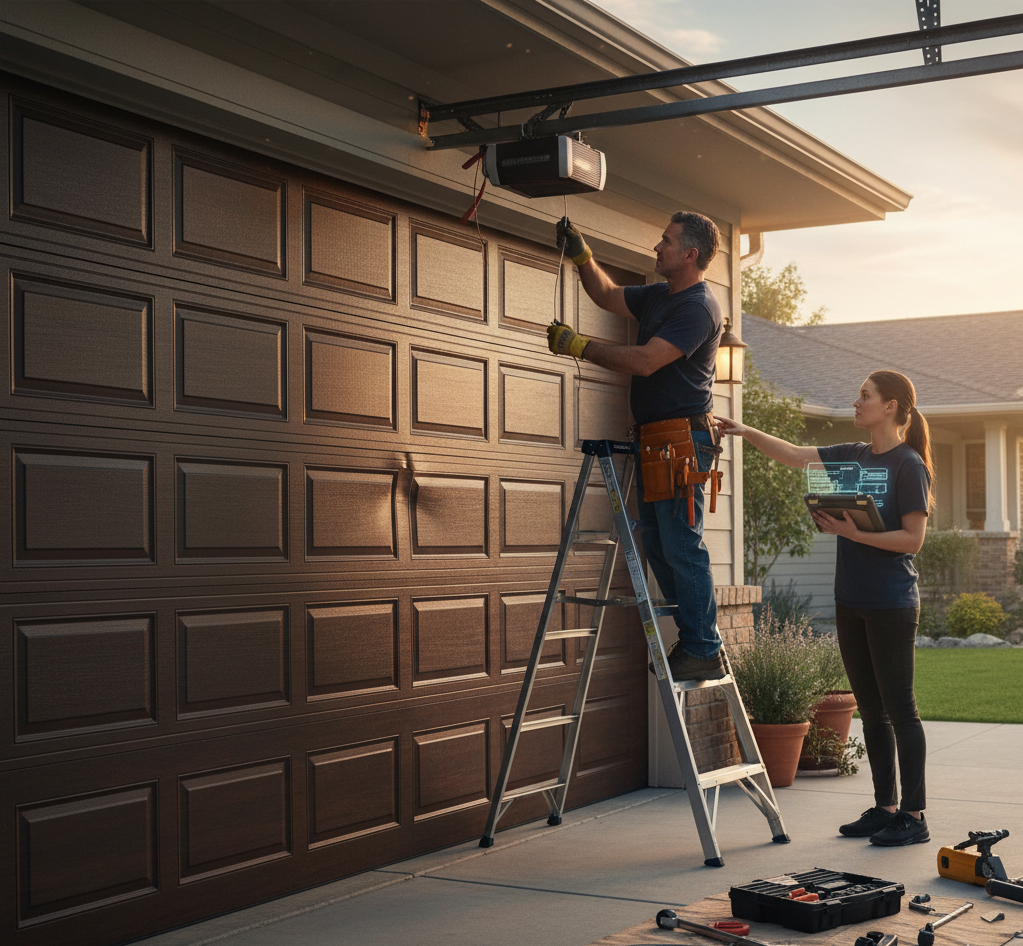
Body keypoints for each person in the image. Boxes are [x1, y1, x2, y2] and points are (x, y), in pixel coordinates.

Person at [716, 370, 933, 847]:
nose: (856, 403)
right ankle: (885, 808)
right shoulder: (852, 456)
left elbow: (912, 540)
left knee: (901, 710)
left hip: (892, 602)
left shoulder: (908, 465)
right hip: (851, 600)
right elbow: (795, 455)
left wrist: (851, 532)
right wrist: (746, 431)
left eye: (865, 396)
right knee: (872, 712)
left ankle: (915, 817)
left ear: (892, 406)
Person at [546, 212, 726, 682]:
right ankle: (695, 641)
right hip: (657, 439)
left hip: (682, 440)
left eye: (666, 241)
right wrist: (583, 256)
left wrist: (579, 346)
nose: (656, 247)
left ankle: (703, 646)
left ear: (691, 254)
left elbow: (647, 362)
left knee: (681, 545)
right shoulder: (657, 297)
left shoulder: (698, 307)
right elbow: (606, 294)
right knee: (660, 544)